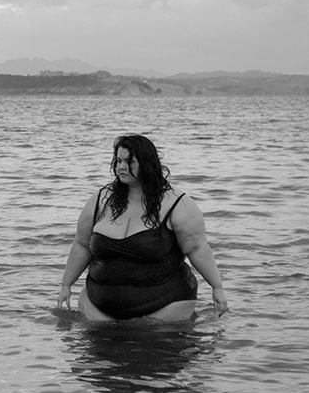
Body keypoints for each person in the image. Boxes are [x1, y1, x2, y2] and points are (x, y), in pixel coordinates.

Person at [57, 134, 228, 321]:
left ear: (146, 164)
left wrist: (217, 287)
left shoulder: (177, 204)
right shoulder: (101, 200)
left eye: (129, 161)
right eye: (118, 160)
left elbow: (197, 248)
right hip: (99, 308)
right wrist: (66, 285)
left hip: (164, 309)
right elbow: (82, 244)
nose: (120, 167)